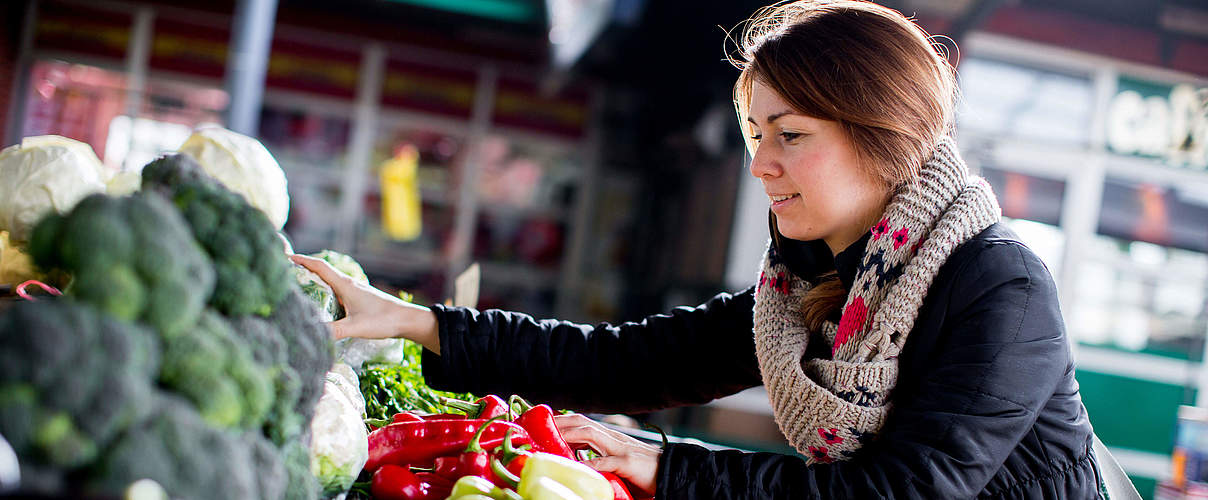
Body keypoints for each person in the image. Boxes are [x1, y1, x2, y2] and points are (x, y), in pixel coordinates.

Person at [292, 1, 1103, 497]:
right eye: (757, 134)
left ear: (879, 136)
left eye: (789, 135)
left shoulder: (999, 284)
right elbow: (627, 363)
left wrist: (665, 469)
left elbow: (905, 492)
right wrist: (417, 324)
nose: (761, 164)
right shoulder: (814, 285)